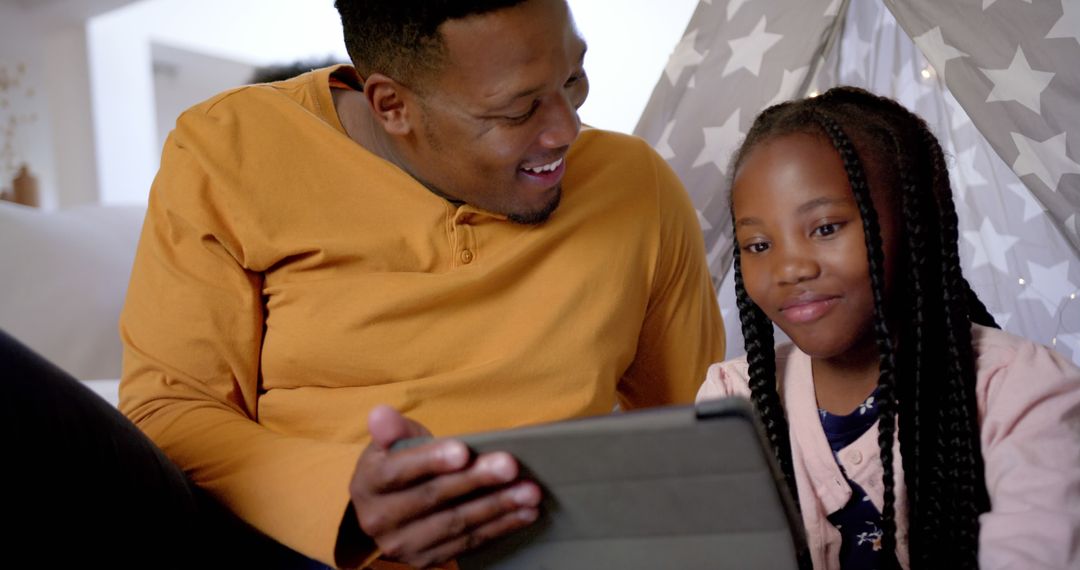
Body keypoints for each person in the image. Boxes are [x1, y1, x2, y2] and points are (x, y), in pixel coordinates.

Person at [119, 0, 725, 568]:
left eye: (573, 79)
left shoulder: (634, 186)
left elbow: (704, 446)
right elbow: (167, 414)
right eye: (517, 111)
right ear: (391, 106)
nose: (565, 129)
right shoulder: (225, 151)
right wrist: (347, 498)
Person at [696, 86, 1080, 569]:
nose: (789, 268)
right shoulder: (734, 400)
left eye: (825, 228)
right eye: (757, 245)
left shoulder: (1020, 388)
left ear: (914, 220)